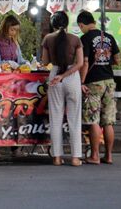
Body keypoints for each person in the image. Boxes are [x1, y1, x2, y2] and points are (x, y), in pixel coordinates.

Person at [77, 11, 120, 165]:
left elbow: (85, 62)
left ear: (81, 25)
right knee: (108, 121)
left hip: (93, 82)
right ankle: (108, 156)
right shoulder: (108, 37)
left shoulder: (85, 38)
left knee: (93, 119)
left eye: (80, 27)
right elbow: (117, 60)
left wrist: (81, 82)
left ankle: (95, 156)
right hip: (109, 81)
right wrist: (105, 63)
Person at [42, 11, 84, 167]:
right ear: (67, 23)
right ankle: (75, 158)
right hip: (72, 77)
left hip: (55, 76)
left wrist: (59, 76)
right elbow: (80, 63)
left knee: (56, 119)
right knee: (74, 119)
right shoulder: (75, 39)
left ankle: (57, 158)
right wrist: (65, 75)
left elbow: (45, 61)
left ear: (53, 24)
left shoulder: (48, 39)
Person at [0, 14, 26, 159]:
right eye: (12, 29)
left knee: (15, 115)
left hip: (15, 85)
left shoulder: (15, 43)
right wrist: (4, 63)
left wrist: (24, 64)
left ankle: (16, 147)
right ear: (5, 27)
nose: (14, 33)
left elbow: (20, 60)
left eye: (16, 30)